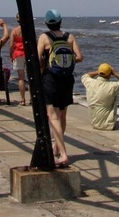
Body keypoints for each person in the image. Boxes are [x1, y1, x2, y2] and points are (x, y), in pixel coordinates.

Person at [36, 9, 82, 167]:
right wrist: (66, 61)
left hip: (51, 79)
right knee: (62, 116)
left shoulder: (44, 37)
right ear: (61, 22)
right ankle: (57, 147)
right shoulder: (69, 37)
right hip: (67, 79)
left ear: (47, 23)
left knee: (52, 116)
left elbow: (37, 58)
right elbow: (80, 57)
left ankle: (63, 154)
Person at [81, 63, 119, 133]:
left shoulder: (90, 83)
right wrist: (115, 73)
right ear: (109, 74)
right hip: (107, 123)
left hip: (94, 121)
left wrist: (98, 72)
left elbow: (85, 76)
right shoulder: (112, 86)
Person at [9, 14, 28, 106]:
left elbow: (11, 45)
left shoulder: (14, 30)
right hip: (27, 53)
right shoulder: (28, 29)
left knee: (21, 78)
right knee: (31, 77)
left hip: (18, 53)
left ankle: (22, 99)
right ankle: (32, 98)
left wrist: (10, 54)